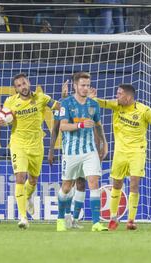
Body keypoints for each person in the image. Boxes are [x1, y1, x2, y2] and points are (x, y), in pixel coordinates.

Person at [90, 84, 151, 230]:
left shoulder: (144, 110)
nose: (117, 96)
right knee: (117, 184)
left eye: (119, 94)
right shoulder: (116, 106)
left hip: (137, 151)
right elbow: (102, 102)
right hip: (120, 152)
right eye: (117, 93)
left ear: (129, 96)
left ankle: (131, 220)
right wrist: (92, 98)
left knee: (134, 183)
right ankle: (113, 217)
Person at [0, 73, 60, 229]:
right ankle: (23, 217)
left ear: (29, 83)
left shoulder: (41, 98)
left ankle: (28, 196)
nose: (22, 87)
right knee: (20, 177)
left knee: (34, 180)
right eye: (18, 85)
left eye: (24, 83)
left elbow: (58, 107)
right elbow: (4, 119)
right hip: (18, 144)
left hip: (37, 145)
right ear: (15, 88)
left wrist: (62, 100)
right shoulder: (10, 102)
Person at [56, 72, 108, 232]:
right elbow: (63, 126)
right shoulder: (66, 103)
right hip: (70, 152)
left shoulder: (94, 105)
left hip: (89, 151)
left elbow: (98, 125)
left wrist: (104, 143)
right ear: (75, 86)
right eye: (82, 85)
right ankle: (60, 218)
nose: (86, 88)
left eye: (88, 85)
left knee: (93, 183)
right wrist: (80, 125)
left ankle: (95, 223)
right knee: (66, 187)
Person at [48, 79, 85, 229]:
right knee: (68, 185)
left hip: (86, 150)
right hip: (69, 150)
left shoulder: (88, 103)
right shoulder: (63, 105)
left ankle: (75, 220)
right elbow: (56, 129)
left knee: (82, 183)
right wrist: (51, 150)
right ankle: (66, 216)